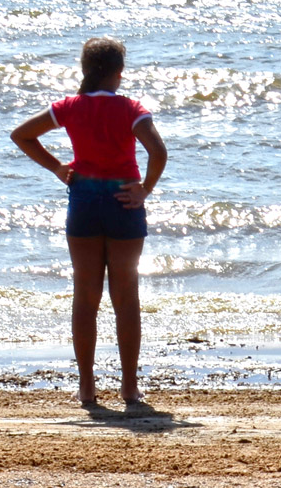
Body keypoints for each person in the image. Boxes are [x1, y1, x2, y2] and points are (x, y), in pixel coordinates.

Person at [10, 37, 167, 408]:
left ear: (84, 70)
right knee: (125, 297)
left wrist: (58, 168)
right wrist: (144, 189)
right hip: (122, 201)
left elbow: (22, 135)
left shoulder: (69, 107)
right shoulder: (131, 108)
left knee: (86, 297)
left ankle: (87, 388)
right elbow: (158, 152)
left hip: (83, 200)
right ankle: (129, 387)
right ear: (119, 73)